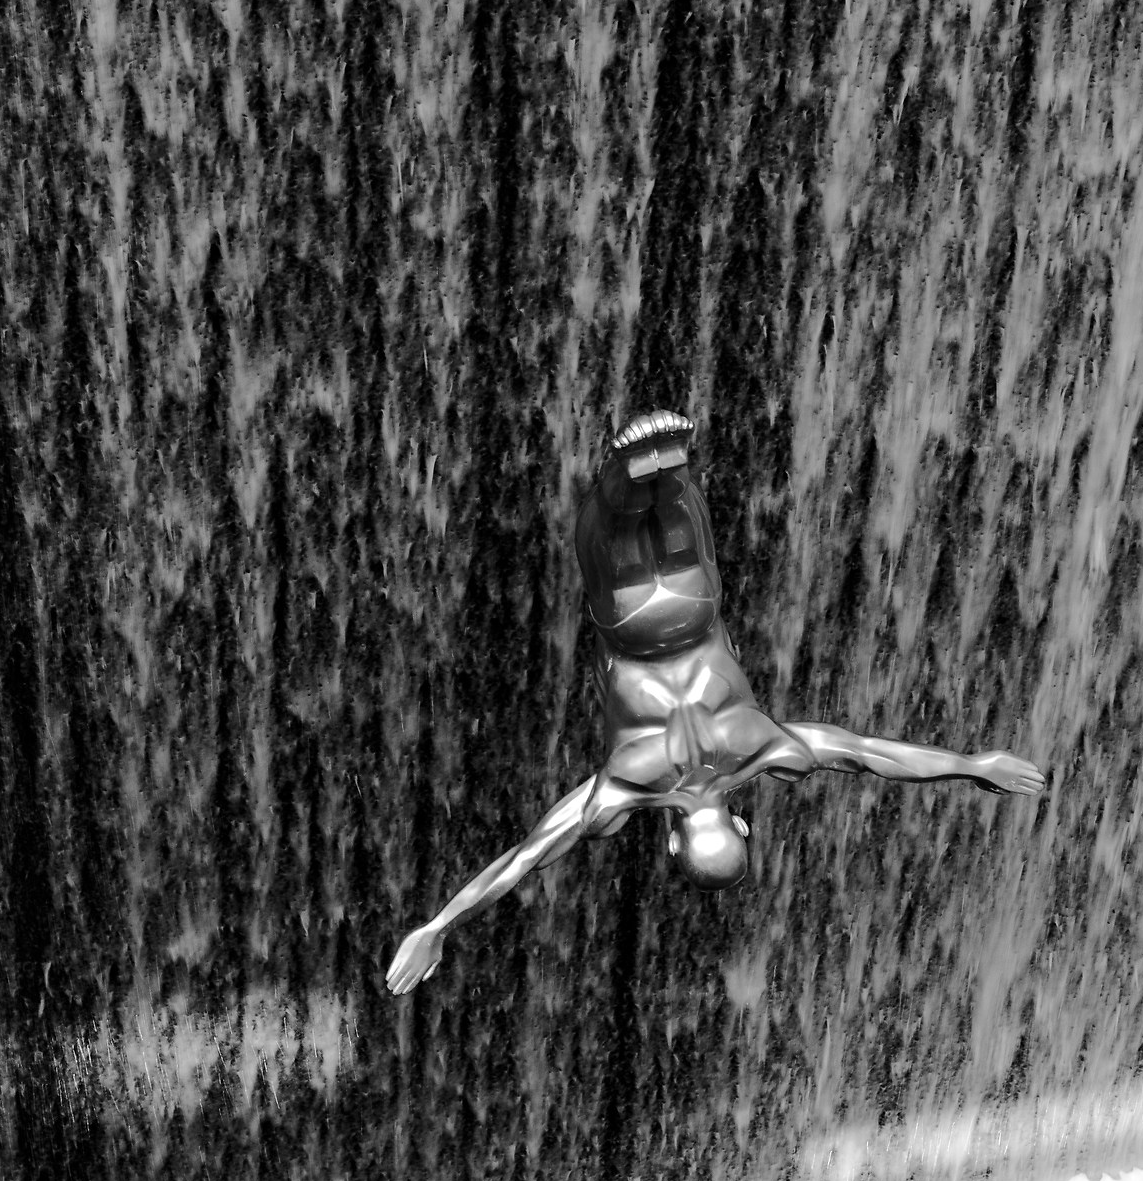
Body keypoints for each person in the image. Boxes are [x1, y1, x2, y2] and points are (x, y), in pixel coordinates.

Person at [384, 409, 1046, 995]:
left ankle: (663, 471)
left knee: (674, 513)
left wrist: (973, 766)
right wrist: (438, 925)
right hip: (628, 622)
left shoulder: (771, 749)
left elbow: (871, 755)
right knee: (614, 532)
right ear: (674, 844)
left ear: (741, 825)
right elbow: (527, 856)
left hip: (695, 606)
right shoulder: (619, 792)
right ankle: (625, 479)